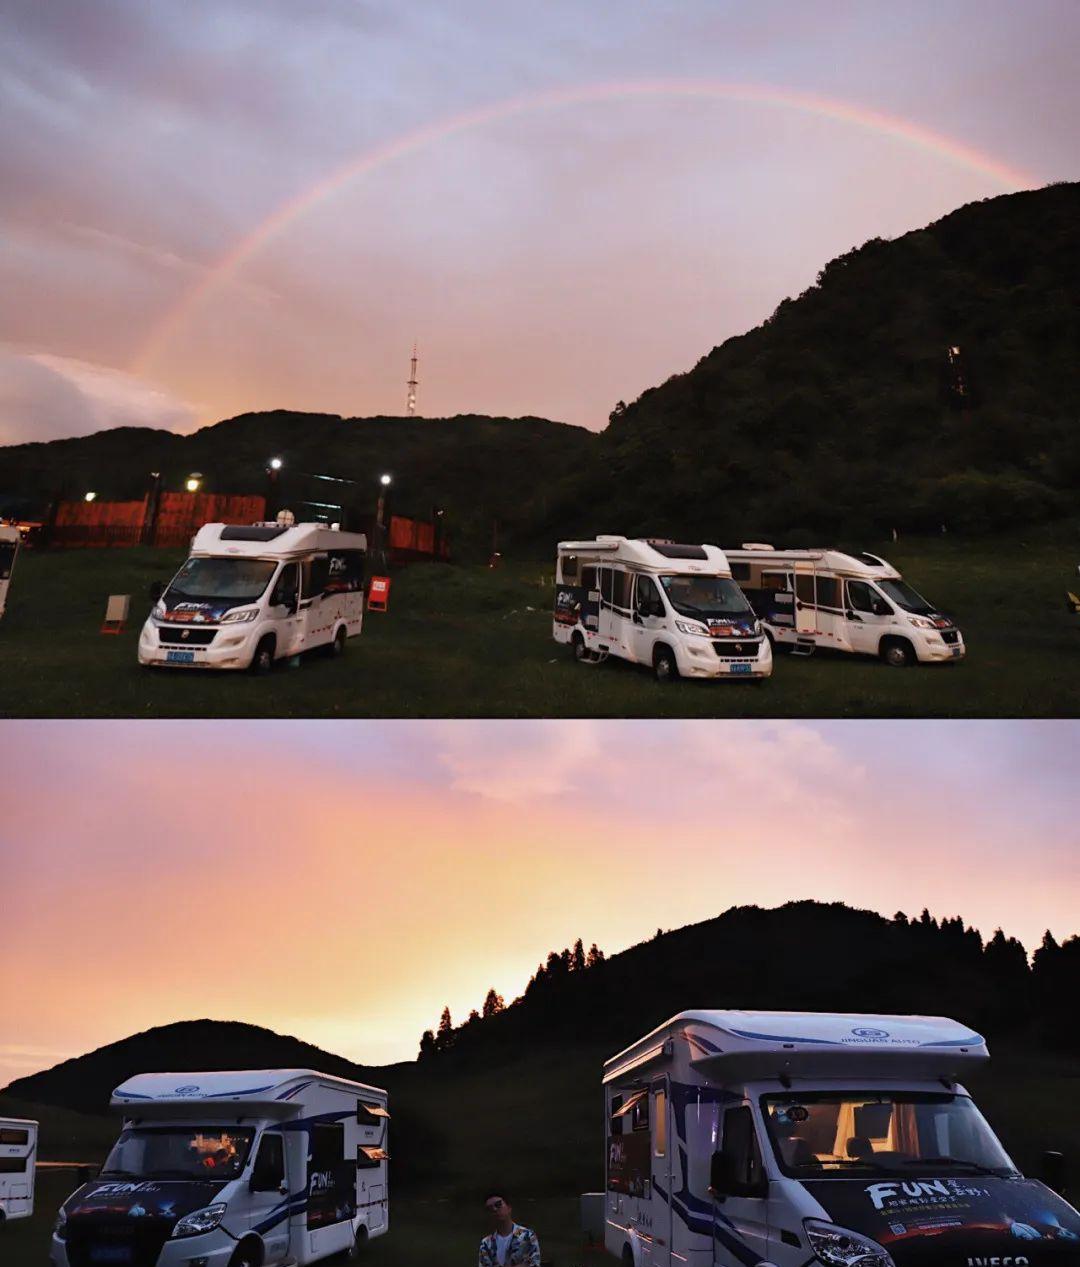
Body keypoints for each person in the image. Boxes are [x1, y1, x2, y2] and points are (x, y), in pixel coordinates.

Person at [478, 1191, 540, 1267]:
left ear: (509, 1207)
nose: (494, 1209)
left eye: (498, 1205)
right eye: (490, 1208)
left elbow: (535, 1263)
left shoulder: (527, 1235)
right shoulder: (486, 1244)